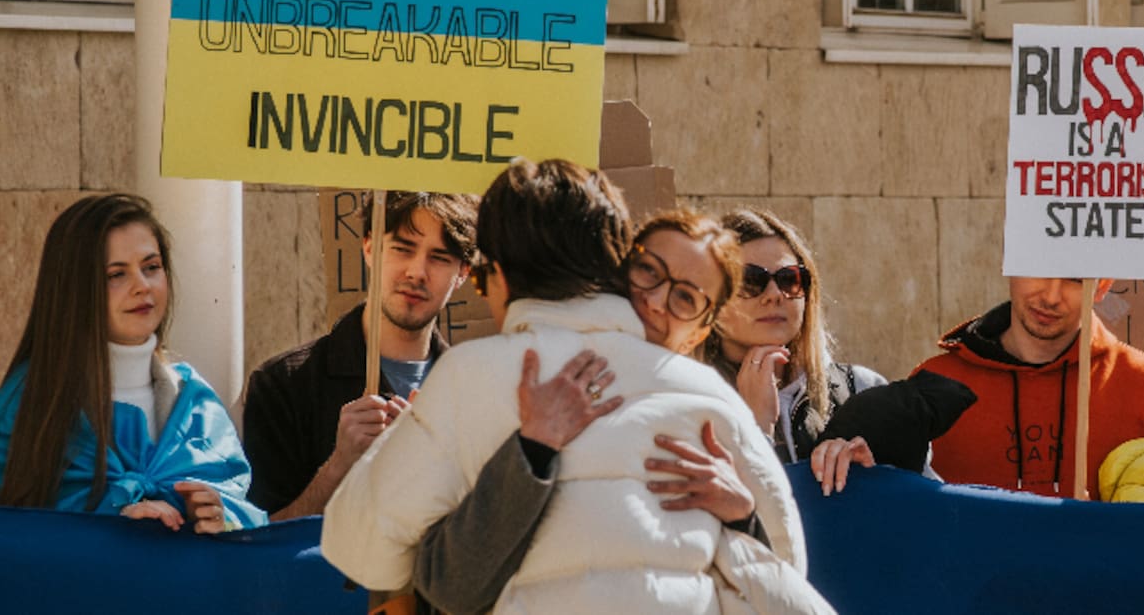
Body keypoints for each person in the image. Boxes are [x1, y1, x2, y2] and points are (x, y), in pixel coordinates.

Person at [323, 160, 828, 613]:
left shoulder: (468, 375)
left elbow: (360, 546)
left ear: (499, 275)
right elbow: (783, 570)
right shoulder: (708, 392)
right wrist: (740, 520)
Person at [412, 209, 780, 614]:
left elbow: (770, 595)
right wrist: (531, 451)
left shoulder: (711, 426)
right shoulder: (518, 387)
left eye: (685, 298)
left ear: (699, 332)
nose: (655, 301)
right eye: (648, 272)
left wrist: (743, 518)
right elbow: (450, 585)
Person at [0, 193, 264, 532]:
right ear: (74, 288)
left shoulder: (198, 404)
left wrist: (218, 517)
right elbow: (15, 534)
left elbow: (246, 523)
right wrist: (116, 523)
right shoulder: (29, 402)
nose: (142, 286)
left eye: (151, 267)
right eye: (116, 274)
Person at [241, 191, 477, 520]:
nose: (416, 272)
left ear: (463, 272)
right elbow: (261, 536)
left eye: (438, 258)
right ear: (369, 248)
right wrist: (339, 465)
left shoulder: (474, 393)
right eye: (403, 249)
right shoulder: (285, 385)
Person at [914, 277, 1144, 497]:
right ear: (1009, 263)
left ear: (1102, 286)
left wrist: (1107, 523)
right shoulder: (933, 384)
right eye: (1038, 269)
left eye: (1074, 279)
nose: (1051, 297)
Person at [697, 210, 886, 474]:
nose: (775, 294)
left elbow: (924, 492)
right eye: (749, 281)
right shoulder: (683, 401)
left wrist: (875, 472)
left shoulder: (862, 389)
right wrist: (756, 427)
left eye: (789, 279)